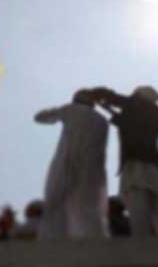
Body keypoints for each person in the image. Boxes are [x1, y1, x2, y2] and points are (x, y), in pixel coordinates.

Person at [91, 86, 158, 237]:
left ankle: (143, 244)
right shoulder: (156, 114)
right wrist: (111, 112)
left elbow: (115, 99)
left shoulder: (136, 104)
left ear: (139, 95)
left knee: (138, 206)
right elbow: (132, 126)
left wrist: (94, 93)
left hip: (136, 163)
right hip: (154, 164)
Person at [36, 89, 109, 239]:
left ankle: (54, 241)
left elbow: (40, 117)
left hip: (68, 161)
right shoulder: (103, 120)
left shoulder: (71, 109)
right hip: (93, 168)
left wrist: (62, 110)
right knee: (89, 205)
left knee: (57, 201)